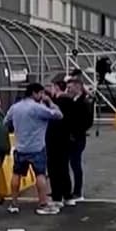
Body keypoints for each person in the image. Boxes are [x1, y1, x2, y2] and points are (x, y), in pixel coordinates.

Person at [3, 82, 64, 215]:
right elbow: (58, 115)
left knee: (17, 174)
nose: (43, 96)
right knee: (40, 175)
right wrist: (51, 103)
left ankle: (14, 203)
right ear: (34, 93)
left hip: (20, 147)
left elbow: (6, 121)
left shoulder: (15, 107)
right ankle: (42, 202)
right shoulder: (37, 108)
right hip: (37, 147)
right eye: (41, 93)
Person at [60, 74, 94, 203]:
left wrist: (76, 131)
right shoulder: (74, 100)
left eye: (70, 87)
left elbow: (87, 121)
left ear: (78, 87)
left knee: (75, 163)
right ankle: (70, 190)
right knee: (71, 163)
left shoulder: (84, 101)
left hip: (77, 137)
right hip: (71, 136)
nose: (68, 90)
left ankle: (78, 191)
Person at [45, 76, 74, 207]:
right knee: (64, 167)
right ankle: (67, 195)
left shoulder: (55, 103)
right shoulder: (71, 101)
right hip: (67, 138)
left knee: (54, 169)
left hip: (54, 139)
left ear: (56, 88)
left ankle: (57, 196)